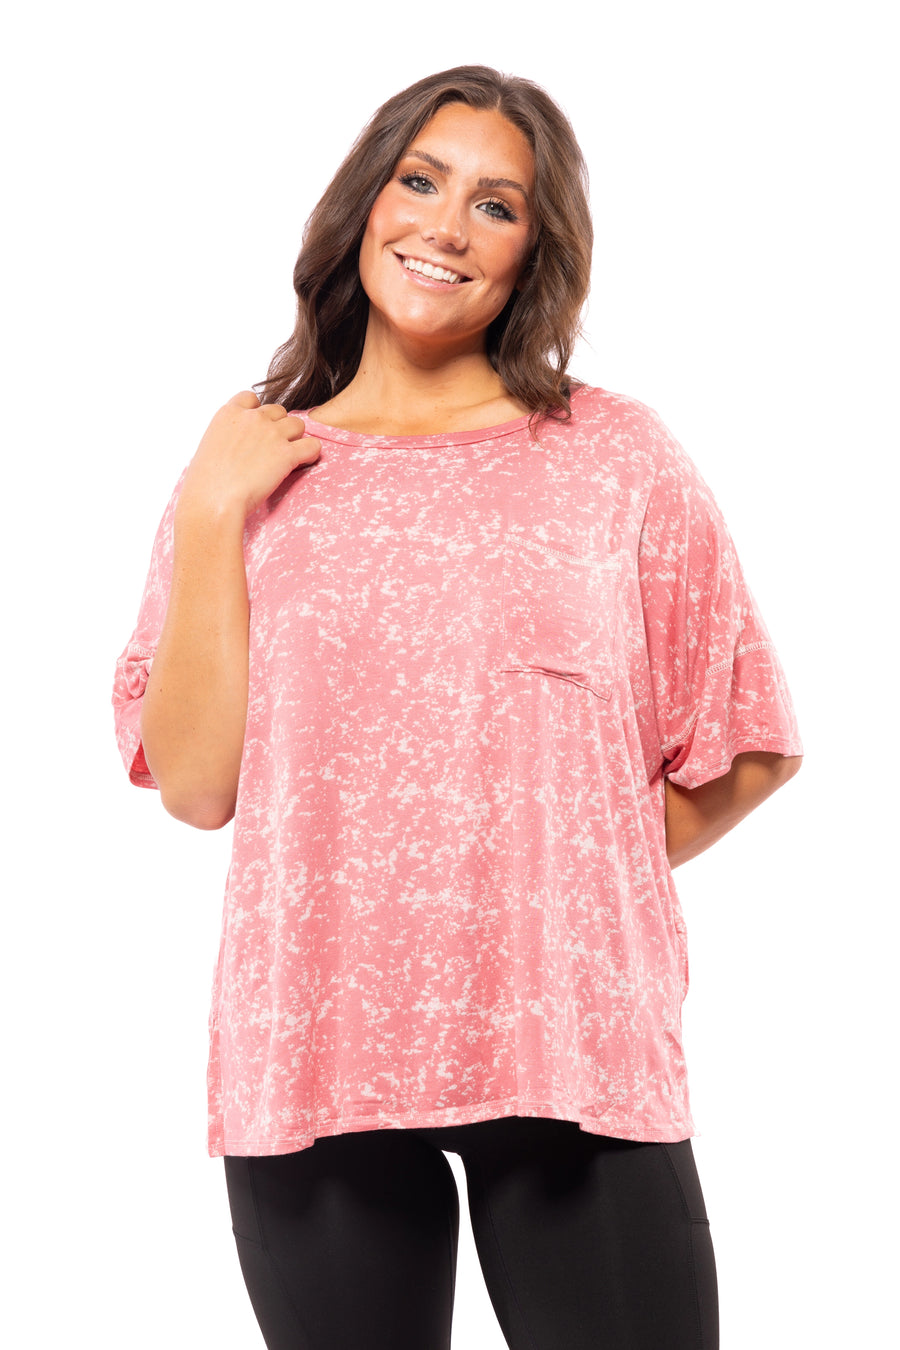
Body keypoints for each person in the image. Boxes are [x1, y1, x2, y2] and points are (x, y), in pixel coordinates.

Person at [113, 65, 802, 1350]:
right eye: (421, 181)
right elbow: (197, 787)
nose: (446, 225)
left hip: (570, 1044)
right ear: (365, 204)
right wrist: (212, 510)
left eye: (497, 204)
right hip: (314, 1041)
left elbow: (747, 739)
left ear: (536, 249)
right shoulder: (247, 465)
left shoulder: (613, 456)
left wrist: (556, 882)